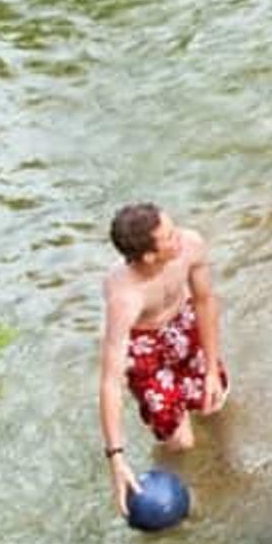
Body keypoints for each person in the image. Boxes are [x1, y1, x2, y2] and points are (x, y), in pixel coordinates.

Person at [97, 204, 228, 516]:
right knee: (182, 443)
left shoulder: (191, 245)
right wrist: (116, 458)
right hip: (145, 347)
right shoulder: (125, 297)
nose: (179, 236)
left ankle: (224, 466)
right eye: (169, 236)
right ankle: (173, 479)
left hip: (183, 324)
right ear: (149, 257)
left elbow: (205, 301)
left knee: (214, 402)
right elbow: (110, 382)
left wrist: (210, 369)